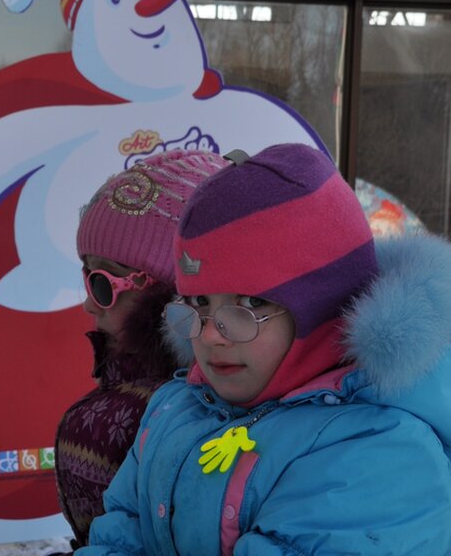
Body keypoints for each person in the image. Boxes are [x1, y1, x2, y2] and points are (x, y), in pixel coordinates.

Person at [78, 143, 451, 555]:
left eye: (250, 303)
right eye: (199, 303)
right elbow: (119, 538)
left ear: (320, 309)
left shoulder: (381, 453)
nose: (211, 335)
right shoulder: (174, 412)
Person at [54, 149, 230, 551]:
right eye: (85, 277)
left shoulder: (118, 422)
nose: (87, 304)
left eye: (101, 283)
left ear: (167, 293)